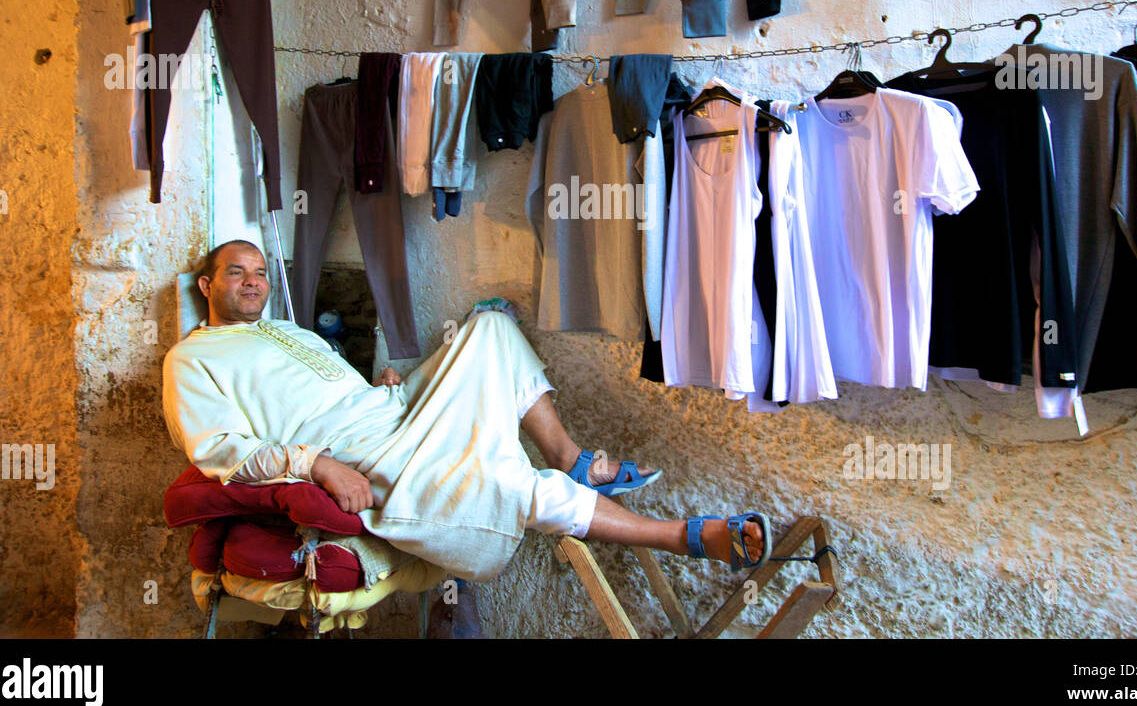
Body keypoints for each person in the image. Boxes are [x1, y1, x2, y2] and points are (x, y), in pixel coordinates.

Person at [161, 239, 770, 583]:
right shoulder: (193, 360)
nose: (253, 282)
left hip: (391, 407)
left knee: (489, 325)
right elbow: (221, 454)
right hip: (367, 452)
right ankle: (688, 537)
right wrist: (319, 465)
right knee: (508, 483)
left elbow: (333, 388)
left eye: (261, 273)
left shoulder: (293, 333)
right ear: (206, 287)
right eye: (236, 273)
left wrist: (385, 383)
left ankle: (568, 456)